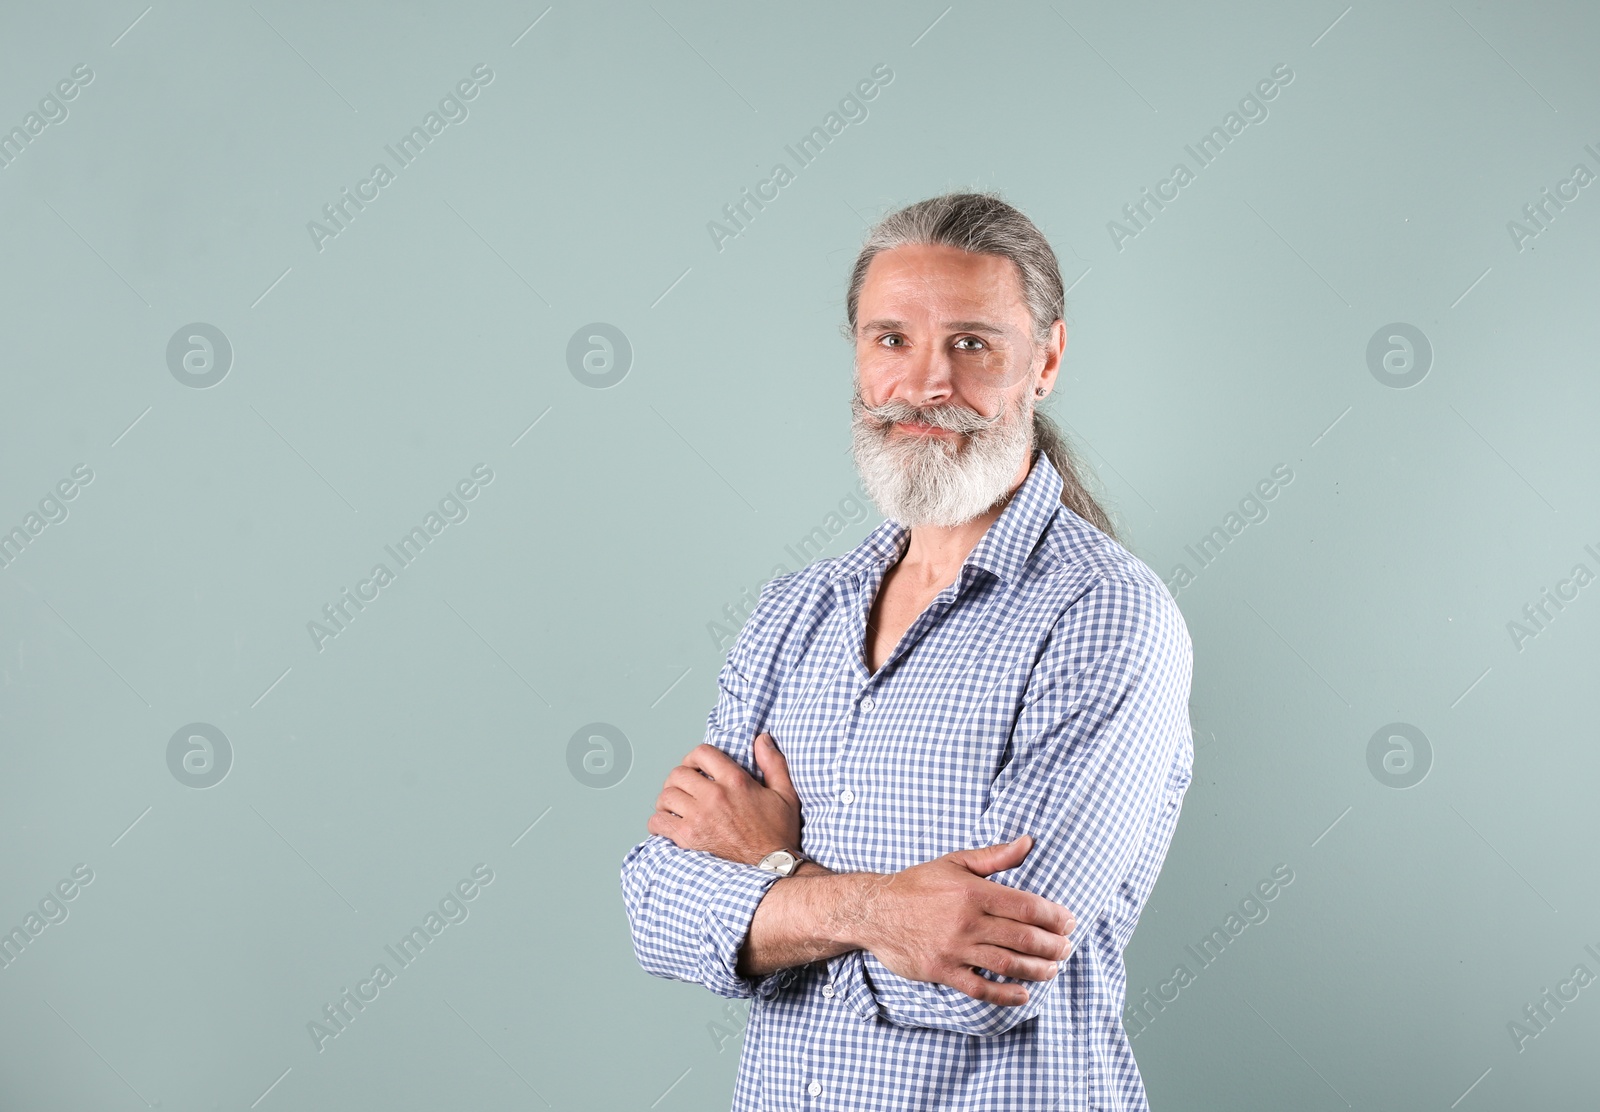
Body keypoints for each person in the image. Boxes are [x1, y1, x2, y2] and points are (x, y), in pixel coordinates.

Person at [620, 191, 1194, 1111]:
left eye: (972, 344)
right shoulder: (796, 612)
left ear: (1043, 360)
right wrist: (886, 915)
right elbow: (658, 910)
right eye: (892, 339)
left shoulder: (1106, 617)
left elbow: (986, 981)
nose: (926, 384)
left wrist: (776, 881)